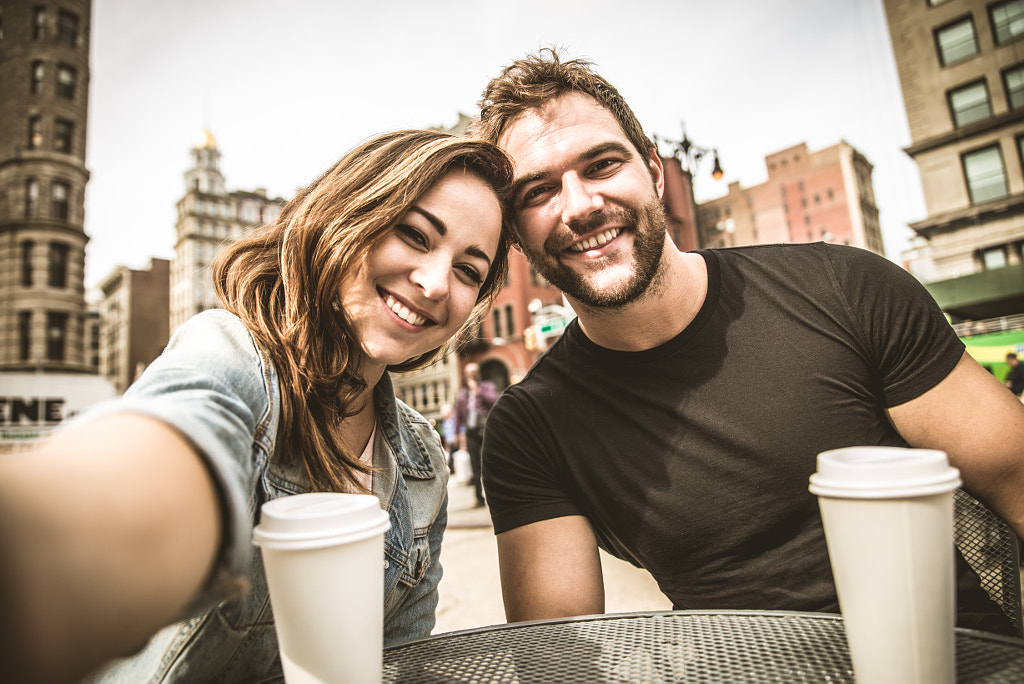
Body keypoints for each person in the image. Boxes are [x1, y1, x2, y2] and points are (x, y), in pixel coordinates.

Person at [468, 49, 1024, 635]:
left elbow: (1015, 477)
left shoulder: (844, 287)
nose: (579, 206)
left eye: (602, 165)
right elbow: (561, 654)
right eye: (538, 192)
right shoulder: (531, 428)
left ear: (655, 174)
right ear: (516, 238)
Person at [0, 129, 514, 684]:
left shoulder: (423, 464)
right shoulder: (231, 355)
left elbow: (402, 662)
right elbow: (164, 457)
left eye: (468, 270)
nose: (436, 283)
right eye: (414, 234)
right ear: (345, 217)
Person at [454, 362, 499, 507]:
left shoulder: (487, 387)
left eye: (473, 373)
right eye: (468, 374)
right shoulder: (462, 393)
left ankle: (494, 496)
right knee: (475, 467)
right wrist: (456, 433)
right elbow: (458, 415)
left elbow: (495, 401)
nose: (470, 376)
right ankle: (478, 497)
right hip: (471, 433)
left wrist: (478, 391)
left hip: (486, 431)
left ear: (478, 374)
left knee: (488, 463)